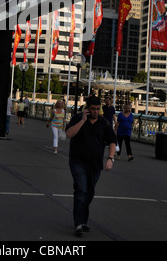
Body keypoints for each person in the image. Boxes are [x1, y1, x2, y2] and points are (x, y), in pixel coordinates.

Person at [66, 95, 116, 237]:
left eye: (97, 109)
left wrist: (110, 158)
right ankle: (78, 223)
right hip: (78, 161)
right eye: (92, 109)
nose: (95, 112)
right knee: (81, 189)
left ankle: (83, 219)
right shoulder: (77, 118)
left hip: (95, 164)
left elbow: (112, 141)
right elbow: (69, 134)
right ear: (87, 109)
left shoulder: (104, 123)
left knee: (89, 192)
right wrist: (82, 121)